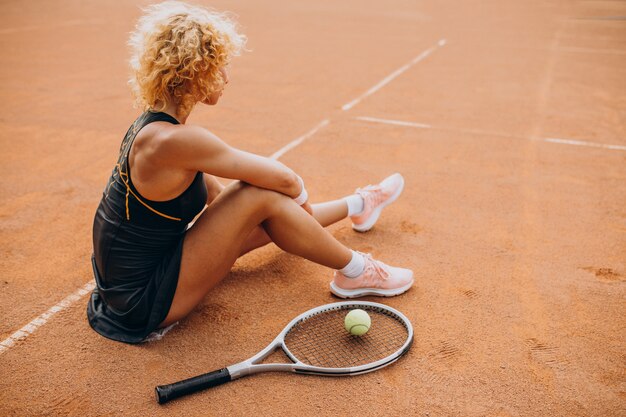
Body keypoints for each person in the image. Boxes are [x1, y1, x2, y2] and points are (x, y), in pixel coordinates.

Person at [87, 1, 414, 344]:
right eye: (220, 66)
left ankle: (360, 204)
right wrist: (297, 205)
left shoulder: (153, 127)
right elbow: (285, 180)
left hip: (139, 277)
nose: (227, 76)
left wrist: (285, 216)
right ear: (194, 71)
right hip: (142, 300)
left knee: (264, 204)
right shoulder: (177, 141)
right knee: (260, 193)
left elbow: (220, 200)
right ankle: (357, 271)